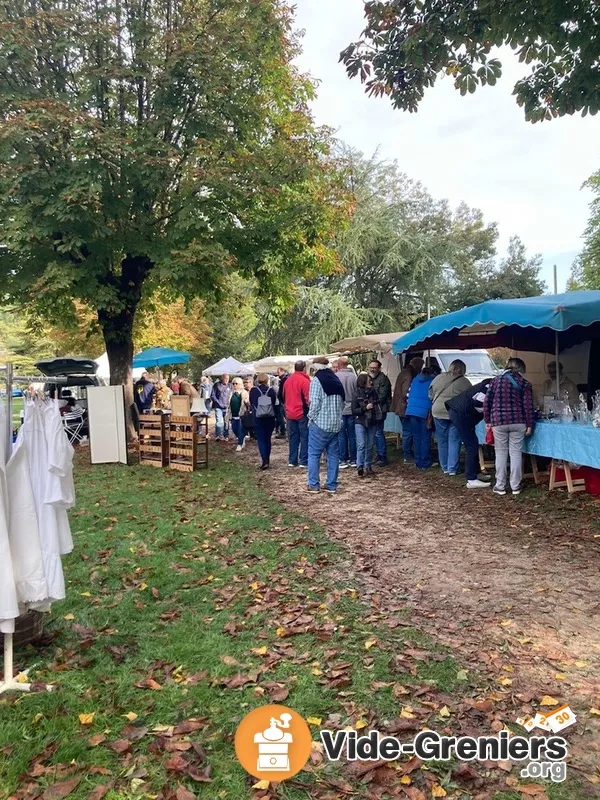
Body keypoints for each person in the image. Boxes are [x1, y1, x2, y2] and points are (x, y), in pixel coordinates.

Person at [483, 357, 535, 496]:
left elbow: (486, 402)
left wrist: (488, 420)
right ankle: (515, 486)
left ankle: (500, 486)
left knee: (500, 453)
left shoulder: (495, 381)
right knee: (516, 453)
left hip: (498, 421)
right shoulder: (524, 383)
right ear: (521, 369)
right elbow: (528, 406)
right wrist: (530, 424)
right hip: (518, 421)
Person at [446, 379, 493, 489]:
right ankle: (471, 479)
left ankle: (475, 473)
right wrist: (488, 416)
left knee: (473, 443)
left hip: (458, 410)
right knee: (471, 445)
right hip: (461, 413)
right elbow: (478, 403)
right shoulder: (489, 387)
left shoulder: (487, 384)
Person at [307, 357, 345, 494]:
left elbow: (315, 402)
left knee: (313, 454)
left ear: (316, 366)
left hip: (320, 423)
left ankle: (313, 484)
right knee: (333, 455)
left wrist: (311, 418)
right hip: (335, 424)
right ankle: (332, 485)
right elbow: (342, 402)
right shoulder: (335, 379)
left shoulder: (317, 380)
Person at [429, 359, 471, 475]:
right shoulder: (464, 381)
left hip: (438, 410)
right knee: (454, 440)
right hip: (455, 412)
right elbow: (469, 398)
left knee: (442, 440)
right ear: (463, 369)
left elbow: (430, 394)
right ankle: (452, 468)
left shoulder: (438, 378)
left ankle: (445, 467)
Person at [391, 357, 424, 463]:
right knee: (408, 432)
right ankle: (408, 455)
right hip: (404, 407)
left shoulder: (404, 372)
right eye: (420, 366)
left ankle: (408, 453)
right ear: (417, 366)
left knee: (407, 431)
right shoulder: (409, 375)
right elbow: (406, 392)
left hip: (399, 406)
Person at [405, 366, 435, 470]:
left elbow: (408, 394)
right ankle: (424, 461)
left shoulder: (414, 380)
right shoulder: (432, 382)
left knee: (416, 437)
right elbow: (432, 397)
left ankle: (417, 460)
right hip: (424, 411)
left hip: (411, 410)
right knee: (425, 437)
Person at [282, 360, 310, 468]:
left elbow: (283, 396)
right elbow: (308, 398)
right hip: (302, 412)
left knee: (293, 437)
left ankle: (292, 460)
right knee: (304, 436)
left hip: (290, 412)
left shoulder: (288, 381)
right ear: (304, 368)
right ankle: (303, 460)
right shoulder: (304, 381)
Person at [352, 372, 381, 478]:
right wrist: (365, 408)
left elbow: (378, 404)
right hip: (360, 421)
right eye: (369, 381)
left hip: (372, 421)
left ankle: (367, 465)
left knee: (369, 445)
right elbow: (354, 410)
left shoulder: (373, 392)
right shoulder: (356, 394)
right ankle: (360, 466)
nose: (371, 382)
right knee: (361, 444)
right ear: (363, 382)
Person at [250, 373, 277, 470]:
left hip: (258, 418)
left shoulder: (254, 390)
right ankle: (267, 459)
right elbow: (274, 402)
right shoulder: (271, 390)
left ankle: (264, 460)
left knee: (261, 439)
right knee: (267, 439)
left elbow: (252, 402)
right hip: (270, 418)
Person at [369, 359, 392, 466]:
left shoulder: (383, 379)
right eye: (371, 367)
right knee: (374, 433)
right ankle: (378, 454)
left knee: (378, 433)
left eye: (374, 367)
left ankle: (382, 456)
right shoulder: (370, 378)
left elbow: (382, 396)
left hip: (380, 409)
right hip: (372, 410)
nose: (372, 369)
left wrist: (371, 403)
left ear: (379, 368)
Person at [336, 356, 358, 469]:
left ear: (339, 365)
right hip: (352, 408)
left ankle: (342, 459)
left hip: (340, 408)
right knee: (352, 434)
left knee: (341, 435)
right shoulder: (354, 377)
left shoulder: (336, 377)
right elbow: (357, 392)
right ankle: (354, 459)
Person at [228, 377, 249, 451]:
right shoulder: (231, 393)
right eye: (233, 383)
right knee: (234, 429)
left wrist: (246, 403)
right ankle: (241, 438)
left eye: (236, 383)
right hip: (233, 415)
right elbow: (229, 404)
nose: (234, 385)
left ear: (240, 384)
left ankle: (240, 444)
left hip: (241, 415)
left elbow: (247, 403)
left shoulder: (244, 392)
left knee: (240, 430)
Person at [211, 373, 232, 440]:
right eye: (225, 378)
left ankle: (226, 435)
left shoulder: (230, 385)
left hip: (227, 406)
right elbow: (212, 395)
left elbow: (232, 394)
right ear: (222, 378)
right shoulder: (217, 385)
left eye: (227, 379)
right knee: (219, 421)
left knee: (226, 422)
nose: (226, 380)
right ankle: (218, 435)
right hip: (218, 406)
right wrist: (218, 402)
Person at [241, 376, 257, 441]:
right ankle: (250, 435)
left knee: (254, 422)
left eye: (247, 382)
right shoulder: (243, 391)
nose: (245, 384)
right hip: (246, 410)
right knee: (247, 421)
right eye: (244, 382)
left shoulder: (255, 390)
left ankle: (255, 435)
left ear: (251, 382)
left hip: (254, 409)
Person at [274, 367, 288, 439]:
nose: (277, 374)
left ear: (282, 371)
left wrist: (282, 399)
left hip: (283, 401)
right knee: (283, 416)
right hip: (283, 401)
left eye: (278, 372)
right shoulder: (284, 379)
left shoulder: (284, 380)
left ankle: (283, 432)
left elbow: (282, 391)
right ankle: (284, 431)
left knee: (281, 417)